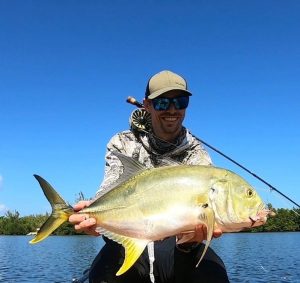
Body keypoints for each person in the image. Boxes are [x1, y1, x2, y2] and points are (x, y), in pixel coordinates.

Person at [69, 70, 230, 283]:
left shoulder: (196, 153)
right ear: (147, 105)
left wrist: (192, 239)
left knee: (213, 276)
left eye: (180, 102)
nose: (172, 110)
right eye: (163, 103)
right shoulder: (122, 143)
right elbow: (109, 187)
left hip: (177, 246)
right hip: (126, 241)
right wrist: (94, 216)